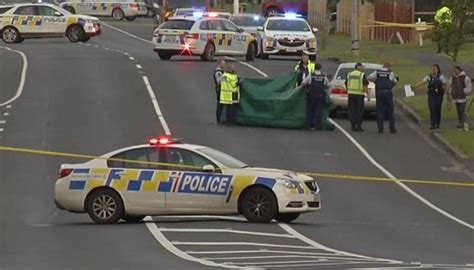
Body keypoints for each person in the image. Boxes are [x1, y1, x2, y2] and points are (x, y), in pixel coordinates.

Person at [413, 64, 447, 129]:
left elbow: (445, 85)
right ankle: (432, 124)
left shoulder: (441, 77)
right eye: (433, 69)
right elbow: (422, 82)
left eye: (435, 69)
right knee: (432, 109)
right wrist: (414, 86)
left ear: (438, 70)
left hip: (439, 95)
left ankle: (437, 123)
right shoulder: (429, 77)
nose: (434, 70)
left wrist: (445, 92)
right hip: (431, 95)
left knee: (438, 109)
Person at [367, 62, 398, 134]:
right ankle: (392, 129)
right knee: (390, 111)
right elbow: (394, 81)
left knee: (379, 111)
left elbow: (369, 77)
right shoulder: (390, 73)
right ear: (389, 66)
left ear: (383, 66)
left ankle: (380, 129)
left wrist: (375, 81)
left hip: (379, 92)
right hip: (387, 93)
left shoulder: (377, 72)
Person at [301, 63, 329, 130]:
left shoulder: (311, 75)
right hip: (320, 96)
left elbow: (303, 83)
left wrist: (303, 87)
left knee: (310, 111)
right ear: (320, 68)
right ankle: (318, 126)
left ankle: (308, 126)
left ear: (314, 68)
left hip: (311, 95)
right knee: (319, 111)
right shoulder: (323, 76)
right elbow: (328, 84)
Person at [345, 63, 369, 132]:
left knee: (351, 110)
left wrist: (348, 90)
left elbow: (346, 83)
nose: (362, 68)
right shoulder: (362, 75)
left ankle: (352, 126)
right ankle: (359, 126)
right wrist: (367, 94)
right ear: (358, 67)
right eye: (362, 67)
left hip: (351, 94)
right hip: (359, 95)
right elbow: (365, 85)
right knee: (359, 111)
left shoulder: (349, 74)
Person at [213, 58, 225, 123]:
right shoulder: (218, 72)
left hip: (221, 89)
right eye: (223, 63)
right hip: (219, 89)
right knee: (220, 104)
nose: (224, 65)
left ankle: (220, 118)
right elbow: (218, 81)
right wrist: (224, 79)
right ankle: (218, 118)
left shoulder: (221, 71)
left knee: (221, 104)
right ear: (219, 64)